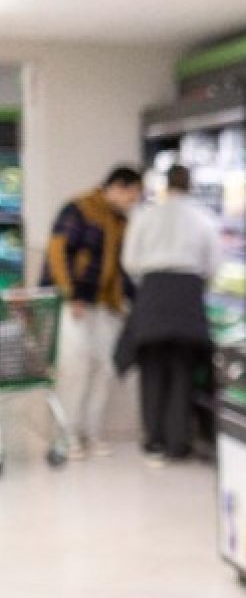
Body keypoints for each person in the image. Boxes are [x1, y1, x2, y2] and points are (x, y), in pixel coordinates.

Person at [116, 164, 221, 465]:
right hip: (188, 295)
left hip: (152, 292)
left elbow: (129, 261)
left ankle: (154, 440)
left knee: (151, 370)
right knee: (182, 370)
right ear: (190, 184)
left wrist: (149, 283)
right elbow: (214, 265)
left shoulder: (145, 215)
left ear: (166, 184)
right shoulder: (204, 218)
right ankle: (178, 442)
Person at [41, 165, 143, 460]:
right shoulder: (79, 209)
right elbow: (58, 251)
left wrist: (134, 301)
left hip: (104, 306)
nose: (132, 203)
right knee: (74, 369)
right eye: (132, 196)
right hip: (74, 304)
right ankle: (67, 435)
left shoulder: (120, 221)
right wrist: (70, 293)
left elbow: (120, 269)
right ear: (118, 187)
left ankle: (92, 432)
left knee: (104, 368)